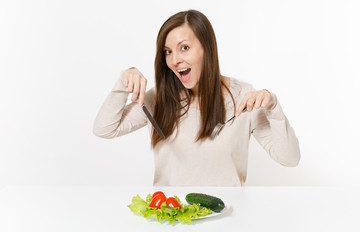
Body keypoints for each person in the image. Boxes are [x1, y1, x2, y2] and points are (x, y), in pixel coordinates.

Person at [93, 10, 300, 186]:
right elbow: (104, 129)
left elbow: (289, 159)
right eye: (167, 51)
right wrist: (124, 82)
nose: (175, 60)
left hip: (225, 219)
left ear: (206, 48)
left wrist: (272, 106)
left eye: (184, 48)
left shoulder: (243, 98)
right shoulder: (158, 99)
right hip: (170, 219)